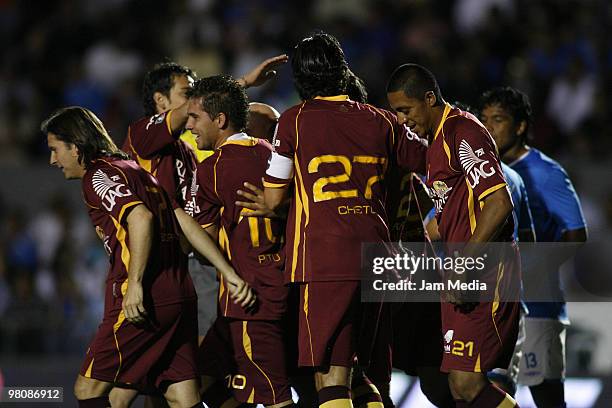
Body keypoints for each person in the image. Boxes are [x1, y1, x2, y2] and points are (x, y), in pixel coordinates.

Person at [42, 106, 253, 408]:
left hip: (144, 300)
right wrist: (228, 272)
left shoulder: (97, 177)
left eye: (55, 150)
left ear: (75, 147)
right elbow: (182, 220)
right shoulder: (136, 170)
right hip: (180, 295)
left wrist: (136, 285)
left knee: (88, 390)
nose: (53, 160)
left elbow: (140, 217)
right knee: (182, 397)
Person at [261, 33, 428, 408]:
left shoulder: (294, 122)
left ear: (300, 78)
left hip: (324, 259)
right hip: (380, 259)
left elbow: (273, 198)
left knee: (329, 374)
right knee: (360, 372)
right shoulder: (383, 121)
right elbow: (430, 159)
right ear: (341, 70)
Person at [122, 56, 288, 346]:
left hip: (198, 256)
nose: (195, 101)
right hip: (164, 263)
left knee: (197, 362)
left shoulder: (190, 150)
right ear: (160, 101)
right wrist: (242, 84)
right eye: (188, 93)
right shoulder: (142, 135)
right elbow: (208, 108)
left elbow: (252, 116)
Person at [387, 64, 521, 407]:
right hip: (460, 271)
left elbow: (498, 202)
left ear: (429, 98)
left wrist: (464, 262)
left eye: (406, 110)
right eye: (396, 113)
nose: (402, 120)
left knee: (466, 383)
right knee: (457, 390)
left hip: (487, 270)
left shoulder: (463, 131)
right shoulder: (433, 144)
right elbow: (450, 213)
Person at [184, 75, 293, 408]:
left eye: (194, 118)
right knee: (200, 376)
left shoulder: (212, 170)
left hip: (250, 299)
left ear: (219, 120)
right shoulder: (277, 155)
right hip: (287, 286)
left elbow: (205, 243)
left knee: (275, 399)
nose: (190, 127)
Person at [480, 86, 587, 408]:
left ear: (521, 126)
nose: (489, 128)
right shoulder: (486, 172)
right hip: (500, 305)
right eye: (484, 119)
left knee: (547, 397)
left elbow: (576, 235)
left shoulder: (546, 173)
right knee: (492, 390)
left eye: (498, 120)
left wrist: (533, 269)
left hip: (539, 307)